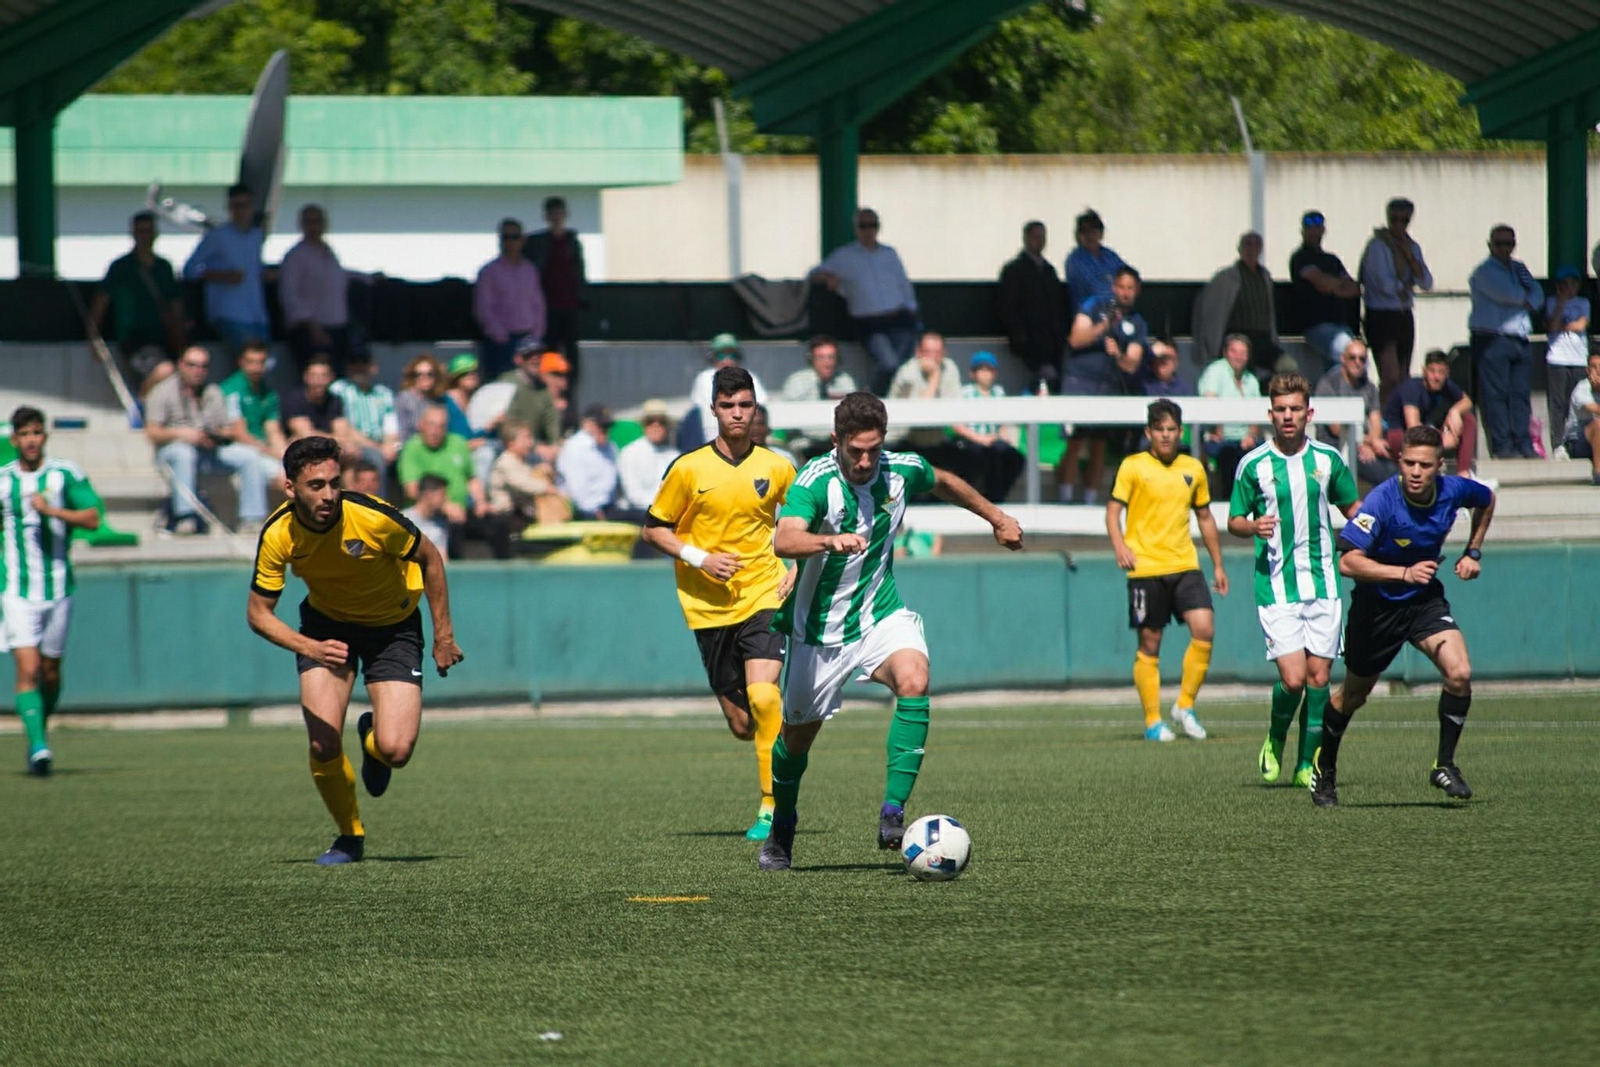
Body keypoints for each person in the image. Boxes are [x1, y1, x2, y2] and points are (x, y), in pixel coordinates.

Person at [758, 392, 1024, 871]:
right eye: (855, 451)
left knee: (915, 679)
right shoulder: (815, 480)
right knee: (795, 742)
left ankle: (893, 812)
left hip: (880, 614)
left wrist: (998, 518)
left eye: (874, 450)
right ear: (836, 440)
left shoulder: (900, 470)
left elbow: (943, 481)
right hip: (818, 633)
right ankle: (783, 824)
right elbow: (784, 537)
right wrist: (827, 541)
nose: (865, 461)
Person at [246, 435, 464, 864]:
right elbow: (258, 613)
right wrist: (310, 646)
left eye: (334, 483)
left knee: (395, 751)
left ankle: (371, 736)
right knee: (322, 744)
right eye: (316, 486)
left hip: (393, 628)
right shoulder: (278, 533)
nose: (329, 495)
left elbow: (431, 558)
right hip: (327, 629)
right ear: (290, 488)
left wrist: (443, 636)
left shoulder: (373, 517)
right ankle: (349, 836)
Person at [640, 366, 800, 842]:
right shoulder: (688, 468)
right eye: (728, 405)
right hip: (708, 607)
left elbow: (803, 521)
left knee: (765, 697)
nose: (737, 413)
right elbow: (653, 529)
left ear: (755, 409)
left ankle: (772, 807)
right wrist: (701, 558)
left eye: (745, 405)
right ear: (713, 409)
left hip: (763, 593)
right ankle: (766, 743)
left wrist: (796, 568)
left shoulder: (777, 467)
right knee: (741, 723)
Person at [1313, 424, 1496, 807]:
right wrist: (1404, 573)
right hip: (1376, 609)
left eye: (1424, 465)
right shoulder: (1381, 501)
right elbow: (1347, 562)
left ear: (1439, 466)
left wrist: (1473, 551)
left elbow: (1487, 499)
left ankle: (1444, 765)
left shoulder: (1453, 491)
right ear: (1399, 461)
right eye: (1409, 463)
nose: (1415, 471)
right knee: (1353, 696)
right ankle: (1324, 768)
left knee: (1460, 672)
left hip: (1423, 602)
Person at [1227, 374, 1362, 788]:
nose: (1289, 416)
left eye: (1296, 409)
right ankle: (1275, 737)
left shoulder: (1327, 459)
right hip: (1276, 586)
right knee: (1293, 679)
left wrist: (1378, 534)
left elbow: (1353, 508)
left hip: (1323, 584)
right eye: (1282, 410)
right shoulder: (1254, 464)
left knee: (1319, 679)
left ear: (1309, 413)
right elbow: (1234, 520)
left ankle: (1306, 764)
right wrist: (1253, 527)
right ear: (1270, 414)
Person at [1106, 399, 1229, 742]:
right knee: (1150, 642)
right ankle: (1152, 721)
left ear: (1180, 431)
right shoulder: (1133, 466)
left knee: (1204, 628)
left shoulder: (1193, 468)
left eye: (1171, 429)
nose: (1165, 435)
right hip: (1145, 567)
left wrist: (1218, 564)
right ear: (1148, 432)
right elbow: (1113, 511)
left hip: (1185, 564)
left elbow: (1205, 517)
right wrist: (1119, 546)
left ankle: (1184, 705)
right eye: (1159, 429)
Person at [2, 407, 102, 776]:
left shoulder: (64, 474)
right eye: (24, 434)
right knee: (27, 669)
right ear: (14, 439)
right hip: (16, 589)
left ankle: (38, 730)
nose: (31, 440)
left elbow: (93, 517)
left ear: (45, 436)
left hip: (59, 586)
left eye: (36, 433)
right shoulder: (3, 481)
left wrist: (53, 512)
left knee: (50, 671)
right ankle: (39, 747)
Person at [144, 345, 277, 534]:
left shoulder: (213, 391)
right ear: (181, 365)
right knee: (184, 453)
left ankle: (252, 519)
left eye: (203, 366)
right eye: (192, 365)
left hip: (208, 450)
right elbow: (152, 432)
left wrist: (215, 437)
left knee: (250, 456)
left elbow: (228, 429)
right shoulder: (162, 391)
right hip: (171, 450)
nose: (197, 370)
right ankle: (186, 516)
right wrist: (183, 434)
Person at [1059, 266, 1149, 504]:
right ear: (1114, 288)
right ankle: (1065, 498)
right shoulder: (1094, 306)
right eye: (1121, 287)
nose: (1125, 293)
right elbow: (1075, 339)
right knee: (1075, 441)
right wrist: (1104, 326)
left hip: (1108, 387)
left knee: (1099, 444)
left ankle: (1089, 500)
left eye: (1130, 288)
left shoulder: (1137, 323)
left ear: (1137, 291)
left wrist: (1118, 354)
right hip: (1080, 382)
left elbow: (1132, 363)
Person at [811, 208, 919, 395]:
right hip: (869, 321)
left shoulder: (890, 253)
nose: (868, 230)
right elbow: (814, 274)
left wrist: (912, 307)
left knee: (904, 364)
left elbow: (903, 283)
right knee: (889, 363)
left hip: (899, 317)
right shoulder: (845, 255)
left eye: (872, 225)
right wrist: (829, 278)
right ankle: (873, 396)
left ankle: (889, 395)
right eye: (863, 226)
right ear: (856, 229)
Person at [1468, 224, 1544, 459]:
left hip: (1520, 339)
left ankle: (1523, 443)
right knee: (1496, 395)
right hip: (1493, 339)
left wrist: (1527, 299)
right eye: (1499, 243)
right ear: (1490, 245)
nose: (1504, 248)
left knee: (1520, 395)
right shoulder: (1484, 271)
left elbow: (1538, 295)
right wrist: (1525, 298)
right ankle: (1502, 446)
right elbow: (1508, 295)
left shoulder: (1519, 269)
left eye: (1508, 243)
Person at [89, 210, 183, 395]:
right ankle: (141, 401)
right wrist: (93, 338)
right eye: (141, 231)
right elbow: (100, 304)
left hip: (163, 337)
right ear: (133, 234)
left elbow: (175, 304)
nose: (145, 237)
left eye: (149, 231)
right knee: (163, 372)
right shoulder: (121, 267)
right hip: (134, 338)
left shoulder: (164, 267)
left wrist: (182, 339)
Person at [280, 204, 378, 376]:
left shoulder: (327, 251)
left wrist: (368, 278)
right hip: (311, 331)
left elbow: (338, 275)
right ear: (301, 224)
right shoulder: (296, 256)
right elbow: (289, 295)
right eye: (310, 222)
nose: (314, 226)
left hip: (337, 328)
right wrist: (312, 326)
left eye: (318, 221)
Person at [397, 405, 503, 559]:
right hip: (432, 514)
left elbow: (471, 478)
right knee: (454, 526)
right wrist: (444, 506)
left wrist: (480, 502)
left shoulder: (458, 443)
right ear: (421, 425)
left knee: (498, 523)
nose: (436, 431)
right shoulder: (412, 448)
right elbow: (412, 489)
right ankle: (453, 571)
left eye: (441, 426)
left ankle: (507, 570)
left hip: (462, 509)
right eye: (432, 425)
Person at [1359, 198, 1433, 401]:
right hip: (1381, 315)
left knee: (1403, 377)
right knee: (1389, 377)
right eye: (1395, 220)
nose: (1399, 225)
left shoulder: (1412, 247)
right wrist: (1406, 285)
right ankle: (1384, 414)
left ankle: (1399, 415)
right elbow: (1385, 285)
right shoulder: (1377, 246)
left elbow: (1427, 282)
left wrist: (1410, 258)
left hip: (1403, 314)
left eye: (1404, 220)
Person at [182, 184, 269, 354]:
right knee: (249, 361)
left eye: (246, 206)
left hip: (257, 315)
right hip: (229, 314)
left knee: (264, 364)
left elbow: (255, 268)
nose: (242, 211)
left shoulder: (256, 236)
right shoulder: (217, 236)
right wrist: (222, 276)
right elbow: (189, 270)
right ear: (229, 208)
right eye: (237, 206)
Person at [1193, 231, 1279, 372]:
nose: (1252, 249)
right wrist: (1208, 343)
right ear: (1240, 249)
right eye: (1248, 245)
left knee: (1287, 366)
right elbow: (1206, 308)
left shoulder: (1265, 277)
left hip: (1263, 339)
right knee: (1245, 372)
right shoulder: (1226, 278)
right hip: (1237, 337)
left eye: (1256, 245)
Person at [1382, 350, 1478, 477]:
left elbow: (1467, 401)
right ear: (1424, 371)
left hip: (1422, 430)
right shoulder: (1412, 388)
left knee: (1468, 419)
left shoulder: (1445, 385)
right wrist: (1441, 440)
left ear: (1447, 373)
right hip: (1394, 434)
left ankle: (1464, 474)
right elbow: (1413, 428)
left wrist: (1454, 411)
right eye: (1432, 371)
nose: (1436, 377)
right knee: (1401, 438)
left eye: (1441, 372)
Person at [999, 220, 1069, 391]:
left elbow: (1058, 306)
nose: (1039, 241)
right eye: (1035, 236)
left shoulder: (1049, 271)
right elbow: (1008, 306)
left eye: (1042, 237)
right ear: (1026, 238)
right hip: (1028, 342)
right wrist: (1019, 337)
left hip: (1052, 342)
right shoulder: (1014, 270)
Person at [1314, 338, 1395, 485]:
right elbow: (1337, 428)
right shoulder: (1328, 383)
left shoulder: (1369, 387)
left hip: (1363, 445)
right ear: (1343, 358)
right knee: (1386, 477)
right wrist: (1369, 442)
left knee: (1396, 469)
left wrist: (1370, 444)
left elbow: (1376, 422)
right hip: (1337, 447)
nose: (1357, 362)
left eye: (1362, 359)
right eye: (1352, 357)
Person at [473, 218, 545, 380]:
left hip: (528, 341)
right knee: (501, 387)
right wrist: (500, 336)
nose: (511, 242)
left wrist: (537, 335)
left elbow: (538, 304)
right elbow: (483, 308)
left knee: (528, 387)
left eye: (515, 237)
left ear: (522, 240)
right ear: (500, 240)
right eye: (506, 237)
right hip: (500, 343)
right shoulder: (489, 272)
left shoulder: (530, 270)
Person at [523, 196, 585, 382]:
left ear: (565, 215)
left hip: (569, 305)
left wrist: (580, 297)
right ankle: (549, 386)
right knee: (549, 351)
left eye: (559, 213)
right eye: (552, 213)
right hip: (547, 306)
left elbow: (579, 273)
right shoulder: (537, 242)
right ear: (546, 216)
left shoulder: (572, 242)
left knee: (571, 353)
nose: (556, 217)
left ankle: (570, 388)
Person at [1289, 210, 1361, 369]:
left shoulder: (1332, 260)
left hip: (1341, 324)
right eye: (1309, 227)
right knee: (1355, 357)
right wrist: (1338, 284)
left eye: (1317, 226)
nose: (1313, 231)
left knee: (1338, 370)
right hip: (1316, 326)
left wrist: (1331, 285)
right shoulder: (1300, 258)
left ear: (1323, 230)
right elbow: (1322, 284)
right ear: (1303, 231)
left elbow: (1355, 289)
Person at [1197, 334, 1264, 498]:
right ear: (1226, 352)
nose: (1239, 356)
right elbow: (1210, 403)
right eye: (1234, 351)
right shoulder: (1215, 370)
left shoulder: (1251, 379)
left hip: (1246, 439)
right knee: (1230, 456)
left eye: (1243, 352)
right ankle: (1232, 504)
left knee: (1267, 454)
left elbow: (1257, 414)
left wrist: (1251, 436)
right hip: (1219, 439)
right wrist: (1216, 429)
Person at [952, 350, 1024, 503]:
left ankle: (997, 500)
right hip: (971, 440)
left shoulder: (999, 393)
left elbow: (1003, 423)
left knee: (1016, 458)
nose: (985, 374)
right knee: (989, 459)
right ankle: (985, 501)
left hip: (993, 440)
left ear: (994, 373)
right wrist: (980, 438)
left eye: (989, 370)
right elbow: (957, 425)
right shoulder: (965, 393)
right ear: (973, 374)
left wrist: (1002, 435)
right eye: (981, 370)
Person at [888, 330, 963, 465]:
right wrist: (935, 376)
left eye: (937, 353)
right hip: (903, 442)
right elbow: (921, 413)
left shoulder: (950, 368)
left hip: (936, 442)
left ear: (944, 353)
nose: (932, 357)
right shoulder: (908, 372)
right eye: (927, 352)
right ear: (918, 352)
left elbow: (956, 408)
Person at [683, 335, 769, 451]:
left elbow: (762, 410)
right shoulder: (704, 379)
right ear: (713, 358)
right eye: (721, 356)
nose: (727, 360)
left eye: (732, 356)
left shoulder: (751, 377)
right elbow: (696, 414)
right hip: (711, 444)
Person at [330, 352, 400, 492]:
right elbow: (344, 427)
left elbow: (391, 426)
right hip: (351, 443)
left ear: (374, 368)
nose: (359, 368)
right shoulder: (338, 389)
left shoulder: (384, 393)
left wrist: (389, 445)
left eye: (364, 364)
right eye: (354, 364)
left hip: (380, 444)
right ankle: (376, 502)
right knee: (376, 457)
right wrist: (378, 448)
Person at [1544, 267, 1591, 456]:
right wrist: (1561, 302)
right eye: (1565, 284)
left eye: (1572, 283)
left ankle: (1576, 441)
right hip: (1557, 358)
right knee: (1558, 404)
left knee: (1577, 402)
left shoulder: (1583, 302)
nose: (1569, 288)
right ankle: (1557, 444)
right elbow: (1553, 325)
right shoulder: (1552, 302)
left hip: (1578, 359)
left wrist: (1564, 326)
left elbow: (1581, 325)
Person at [488, 420, 569, 527]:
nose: (530, 443)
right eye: (525, 439)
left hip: (525, 513)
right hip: (507, 515)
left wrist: (544, 471)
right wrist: (550, 489)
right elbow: (524, 484)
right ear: (511, 444)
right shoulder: (505, 462)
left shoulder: (527, 460)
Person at [220, 340, 287, 461]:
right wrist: (270, 453)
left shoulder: (269, 393)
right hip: (241, 448)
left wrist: (284, 456)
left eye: (261, 362)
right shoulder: (231, 390)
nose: (256, 368)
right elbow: (239, 433)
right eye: (251, 362)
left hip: (264, 448)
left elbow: (273, 431)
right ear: (241, 362)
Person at [556, 405, 620, 521]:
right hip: (582, 510)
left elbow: (611, 484)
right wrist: (595, 511)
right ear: (587, 424)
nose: (605, 430)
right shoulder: (575, 447)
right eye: (601, 426)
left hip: (608, 507)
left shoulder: (610, 447)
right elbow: (577, 489)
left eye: (607, 426)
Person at [504, 350, 569, 463]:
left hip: (550, 450)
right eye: (556, 374)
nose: (561, 380)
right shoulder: (512, 384)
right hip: (524, 448)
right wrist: (536, 446)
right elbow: (511, 427)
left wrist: (555, 446)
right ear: (543, 375)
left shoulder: (549, 395)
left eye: (564, 375)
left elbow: (553, 430)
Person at [617, 400, 678, 511]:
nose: (656, 426)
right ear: (644, 425)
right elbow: (634, 495)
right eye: (650, 421)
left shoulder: (674, 455)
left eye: (661, 422)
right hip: (638, 511)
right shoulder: (630, 453)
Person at [1063, 208, 1126, 313]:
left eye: (1094, 230)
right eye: (1085, 231)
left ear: (1101, 233)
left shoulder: (1110, 255)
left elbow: (1127, 278)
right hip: (1089, 317)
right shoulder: (1075, 260)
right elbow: (1096, 288)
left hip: (1116, 315)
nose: (1090, 235)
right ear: (1078, 235)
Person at [282, 358, 352, 446]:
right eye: (314, 376)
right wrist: (336, 439)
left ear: (332, 377)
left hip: (329, 446)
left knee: (351, 449)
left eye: (324, 376)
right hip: (304, 447)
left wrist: (340, 441)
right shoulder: (294, 400)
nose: (318, 381)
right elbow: (306, 435)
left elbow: (343, 435)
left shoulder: (335, 400)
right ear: (305, 377)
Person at [1561, 351, 1600, 486]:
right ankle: (1598, 473)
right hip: (1577, 442)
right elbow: (1595, 410)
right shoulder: (1582, 389)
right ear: (1588, 371)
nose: (1598, 371)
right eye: (1594, 367)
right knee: (1599, 425)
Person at [780, 335, 858, 402]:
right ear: (811, 359)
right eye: (821, 357)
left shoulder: (845, 380)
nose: (827, 362)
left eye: (831, 357)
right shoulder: (797, 381)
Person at [394, 355, 447, 444]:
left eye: (430, 374)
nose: (425, 378)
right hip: (410, 446)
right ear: (413, 377)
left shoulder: (439, 400)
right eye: (419, 374)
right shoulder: (404, 399)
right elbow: (401, 432)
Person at [402, 474, 453, 551]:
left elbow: (442, 553)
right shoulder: (403, 520)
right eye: (442, 494)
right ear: (428, 495)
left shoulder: (442, 522)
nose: (446, 498)